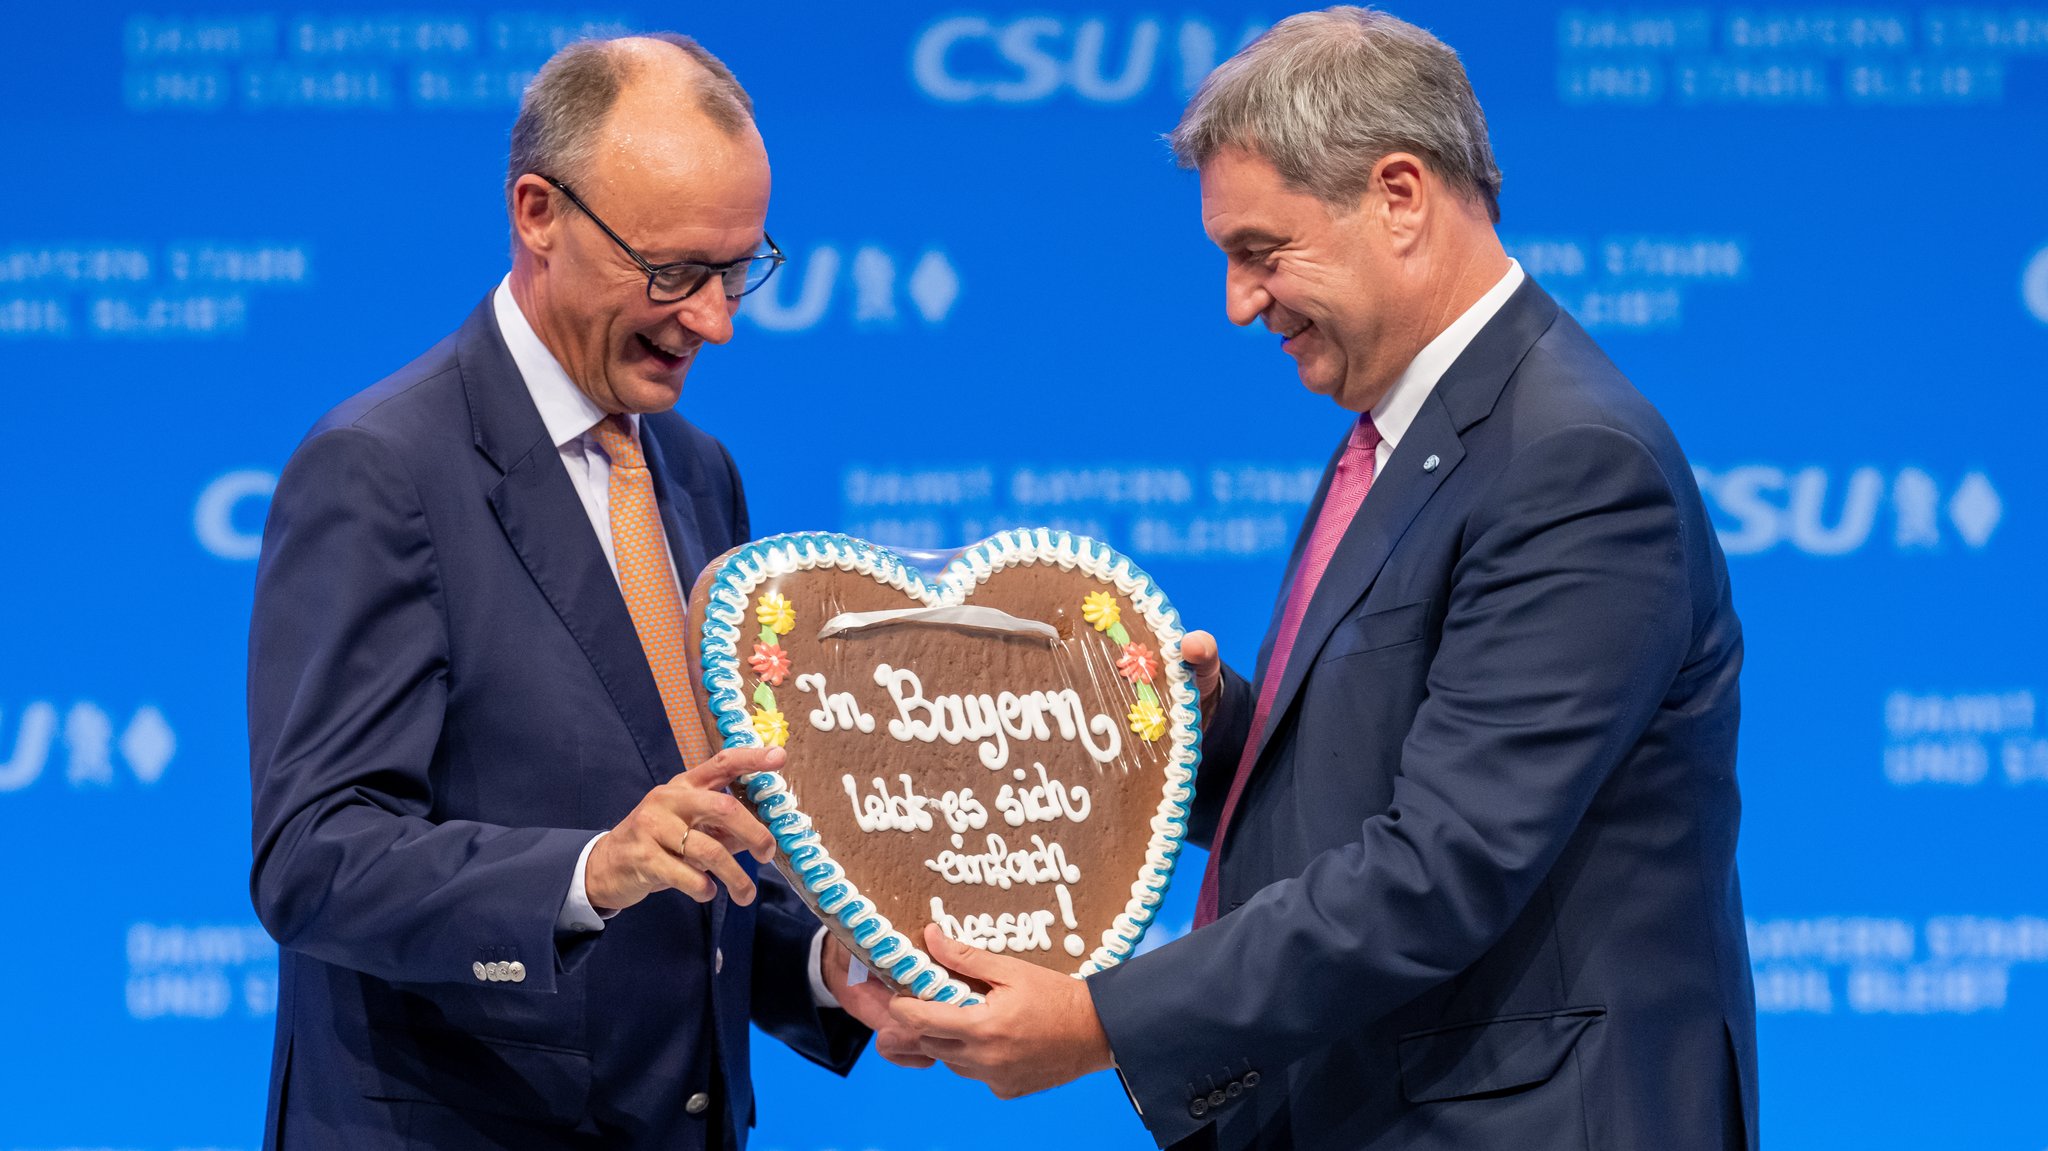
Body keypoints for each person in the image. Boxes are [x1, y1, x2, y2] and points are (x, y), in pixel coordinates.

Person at [888, 9, 1758, 1150]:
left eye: (1262, 250)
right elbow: (1378, 773)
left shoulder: (1569, 463)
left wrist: (1102, 1018)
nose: (1241, 303)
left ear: (1398, 195)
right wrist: (1206, 735)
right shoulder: (1407, 430)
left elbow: (1442, 864)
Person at [247, 33, 900, 1150]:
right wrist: (589, 868)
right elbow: (315, 855)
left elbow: (702, 853)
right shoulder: (383, 467)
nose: (715, 319)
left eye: (738, 267)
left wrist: (828, 966)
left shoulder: (694, 469)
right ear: (538, 212)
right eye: (673, 271)